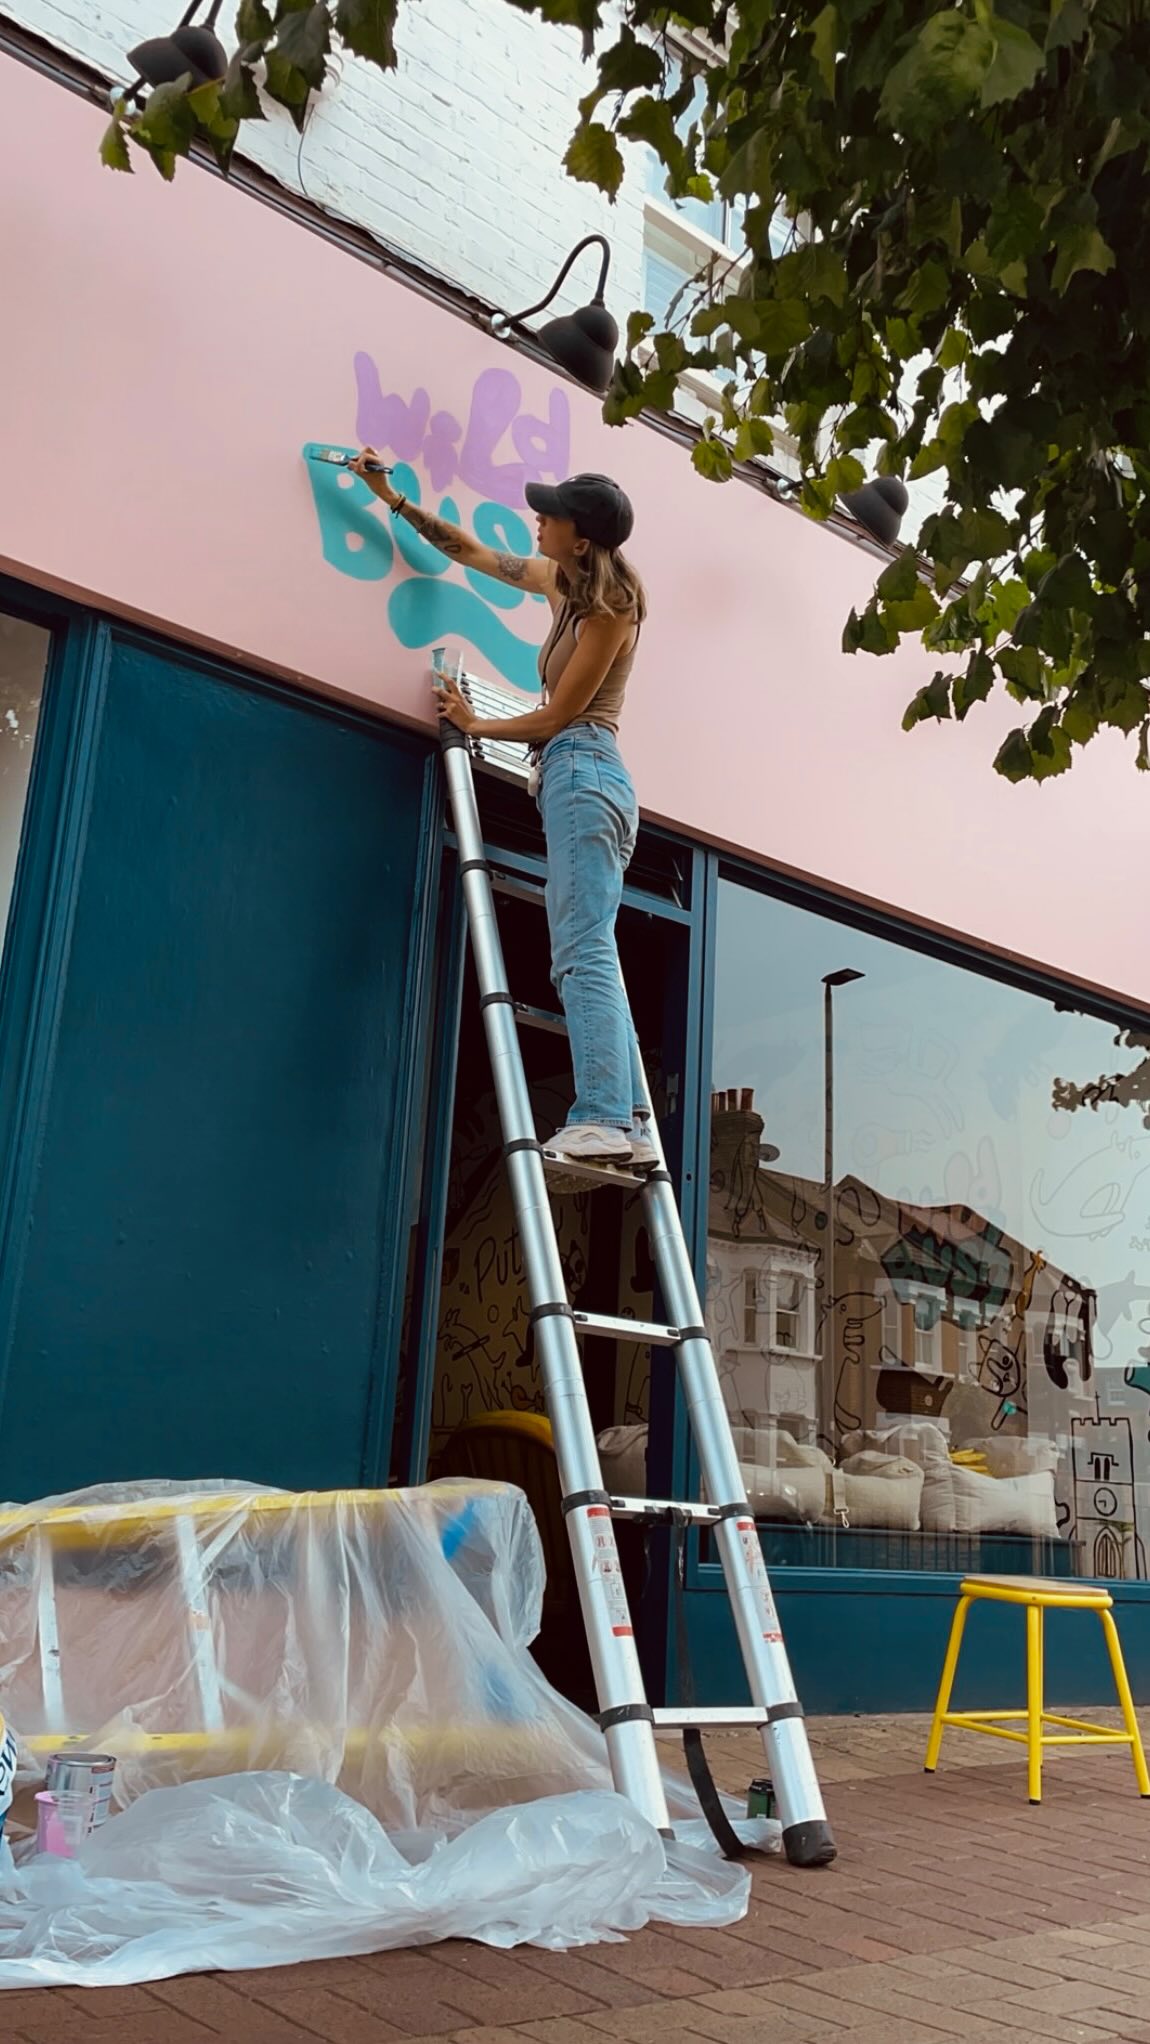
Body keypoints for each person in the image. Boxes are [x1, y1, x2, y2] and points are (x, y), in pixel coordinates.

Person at [351, 454, 654, 1170]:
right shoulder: (563, 584)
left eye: (551, 514)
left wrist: (474, 725)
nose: (537, 519)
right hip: (576, 777)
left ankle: (607, 1117)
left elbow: (561, 716)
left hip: (583, 770)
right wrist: (390, 497)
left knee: (581, 951)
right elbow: (475, 553)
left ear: (581, 537)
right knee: (590, 949)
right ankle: (629, 1119)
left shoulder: (610, 612)